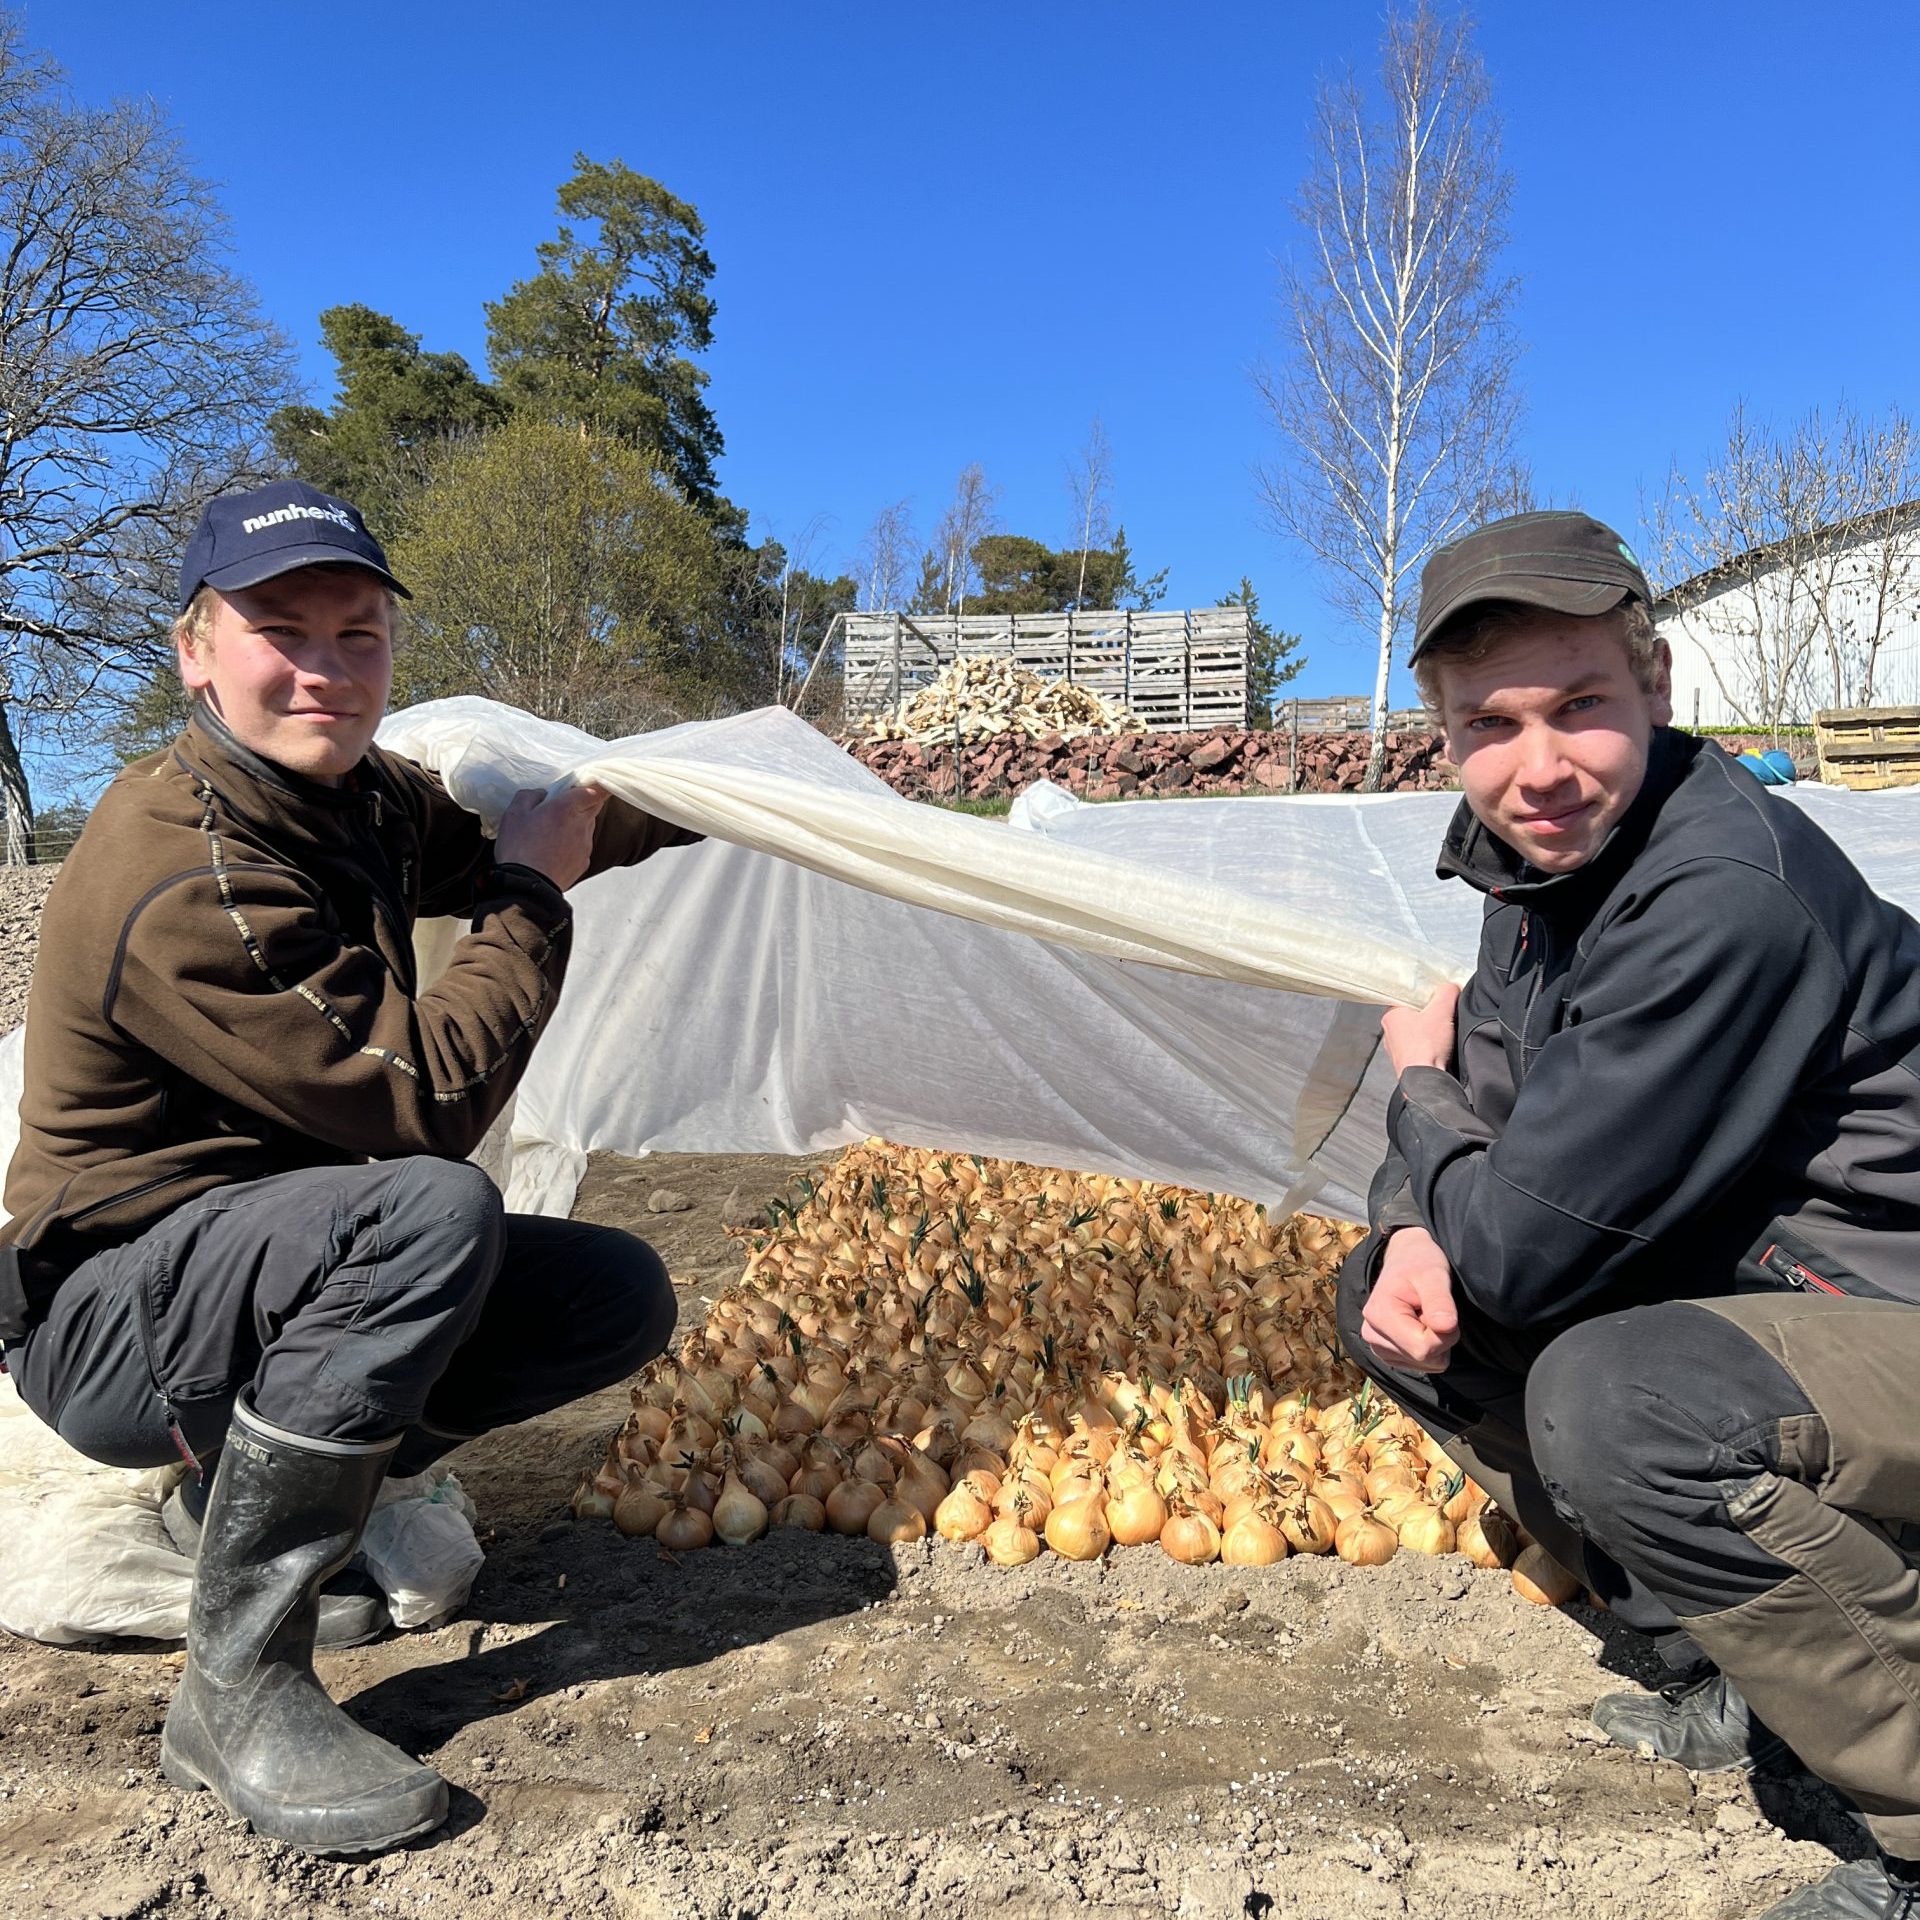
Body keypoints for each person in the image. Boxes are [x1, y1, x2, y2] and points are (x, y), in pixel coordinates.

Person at [0, 481, 697, 1857]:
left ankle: (234, 1502)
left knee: (608, 1295)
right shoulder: (186, 861)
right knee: (434, 1210)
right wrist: (531, 898)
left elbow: (537, 833)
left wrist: (733, 803)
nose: (325, 666)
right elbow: (420, 1099)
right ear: (195, 651)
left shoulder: (355, 797)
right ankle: (238, 1685)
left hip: (262, 1262)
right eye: (281, 629)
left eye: (359, 631)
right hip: (107, 1308)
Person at [1336, 510, 1920, 1920]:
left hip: (1886, 1304)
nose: (1537, 767)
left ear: (1656, 689)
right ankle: (1746, 1682)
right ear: (1444, 729)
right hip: (1780, 1287)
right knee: (1393, 1297)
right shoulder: (1534, 870)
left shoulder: (1718, 895)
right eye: (1491, 724)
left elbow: (1523, 1231)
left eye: (1580, 707)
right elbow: (1497, 1139)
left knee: (1621, 1401)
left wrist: (1415, 1093)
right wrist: (1415, 1217)